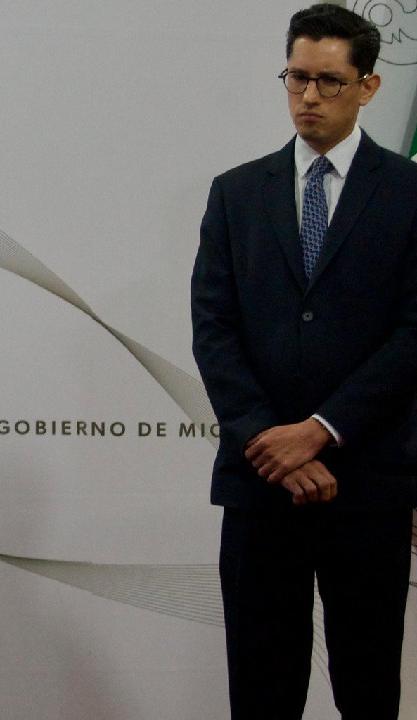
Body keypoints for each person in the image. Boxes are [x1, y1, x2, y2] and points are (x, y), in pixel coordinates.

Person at [191, 4, 417, 718]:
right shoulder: (236, 192)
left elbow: (414, 333)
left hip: (367, 483)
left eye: (329, 81)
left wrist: (320, 430)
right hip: (261, 485)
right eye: (297, 78)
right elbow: (214, 329)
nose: (309, 96)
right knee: (262, 692)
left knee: (369, 689)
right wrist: (271, 441)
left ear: (368, 86)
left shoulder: (409, 192)